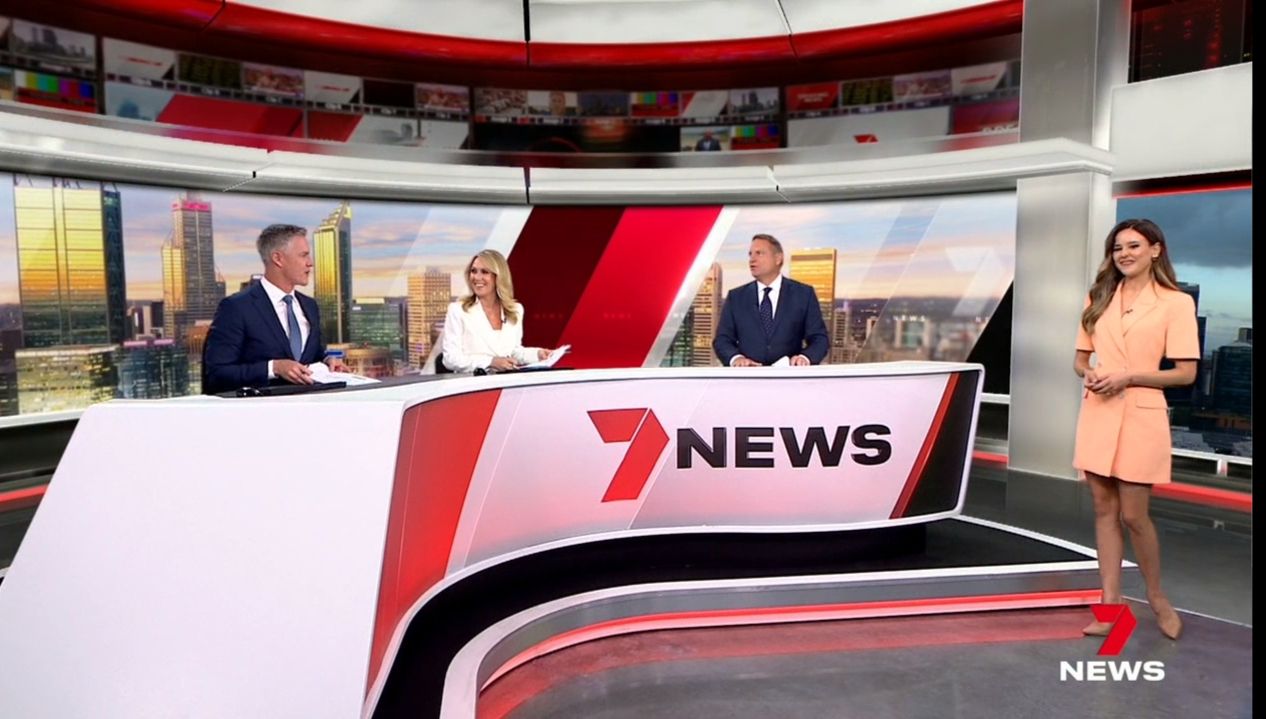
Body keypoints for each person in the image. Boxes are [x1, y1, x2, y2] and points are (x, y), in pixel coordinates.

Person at [1073, 218, 1198, 642]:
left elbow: (1184, 374)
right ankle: (1110, 605)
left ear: (1155, 250)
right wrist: (1089, 372)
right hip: (1099, 411)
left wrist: (1128, 377)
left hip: (1142, 413)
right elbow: (1080, 359)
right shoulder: (1099, 296)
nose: (1124, 254)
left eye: (1133, 246)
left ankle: (1157, 598)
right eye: (1117, 248)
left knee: (1134, 515)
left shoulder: (1175, 303)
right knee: (1103, 511)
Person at [203, 224, 347, 394]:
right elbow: (217, 374)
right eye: (303, 255)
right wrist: (273, 368)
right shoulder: (236, 307)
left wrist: (328, 360)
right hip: (261, 408)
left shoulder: (310, 306)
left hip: (308, 406)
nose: (310, 263)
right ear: (278, 259)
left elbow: (311, 355)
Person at [713, 234, 829, 367]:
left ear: (778, 259)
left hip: (789, 376)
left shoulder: (803, 294)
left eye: (759, 253)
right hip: (747, 376)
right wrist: (736, 358)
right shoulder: (736, 297)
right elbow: (722, 340)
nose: (752, 259)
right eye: (750, 254)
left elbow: (819, 338)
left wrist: (805, 358)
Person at [440, 249, 555, 373]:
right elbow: (450, 359)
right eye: (473, 271)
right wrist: (490, 362)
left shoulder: (515, 310)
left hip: (505, 382)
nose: (477, 277)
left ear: (498, 276)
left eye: (484, 272)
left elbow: (513, 352)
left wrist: (537, 354)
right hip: (472, 382)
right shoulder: (458, 310)